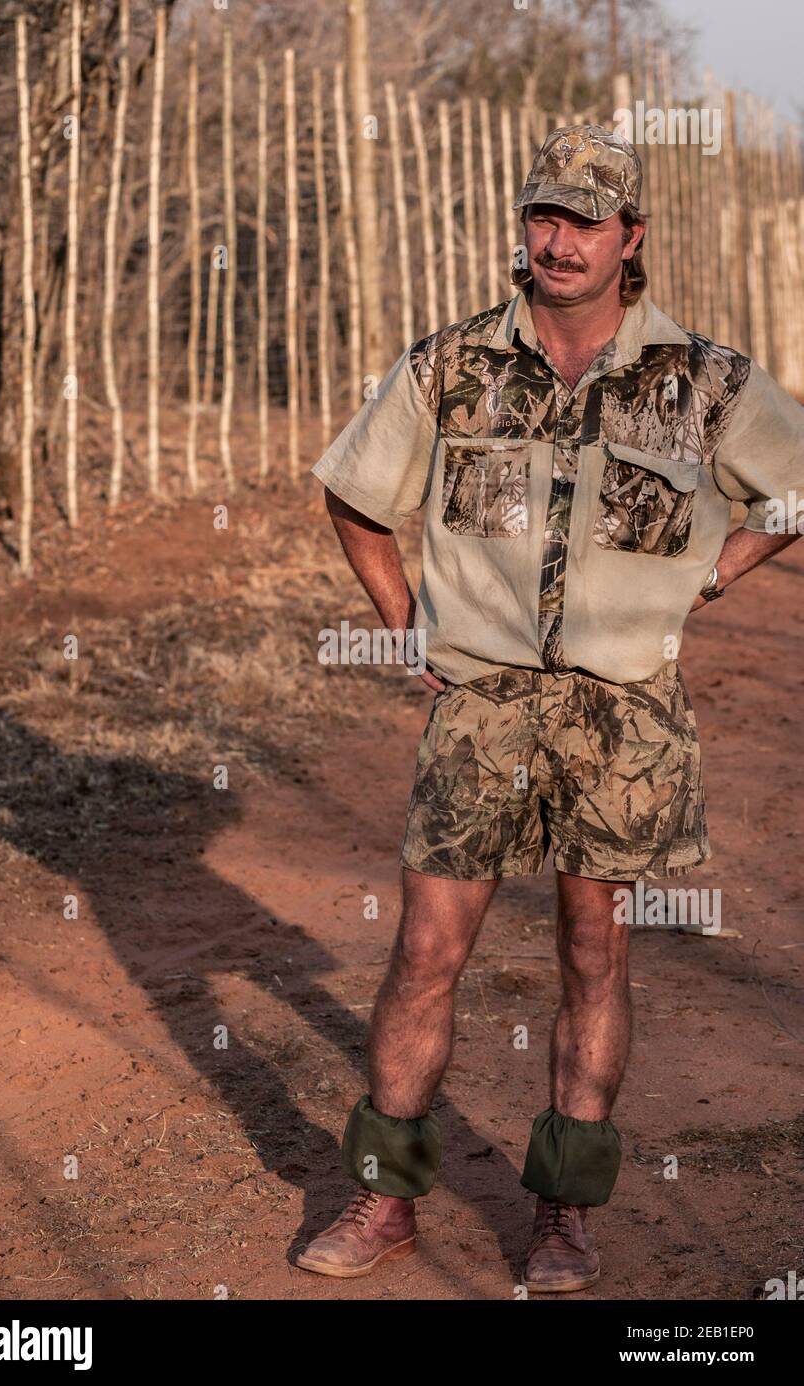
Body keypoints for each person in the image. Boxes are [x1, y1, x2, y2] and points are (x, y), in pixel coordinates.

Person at [296, 124, 804, 1291]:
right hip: (479, 706)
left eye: (584, 219)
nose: (557, 239)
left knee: (593, 953)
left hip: (624, 713)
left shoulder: (705, 381)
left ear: (631, 239)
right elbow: (355, 498)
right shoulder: (451, 366)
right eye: (542, 216)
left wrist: (713, 572)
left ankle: (562, 1211)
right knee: (426, 948)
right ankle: (383, 1198)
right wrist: (405, 619)